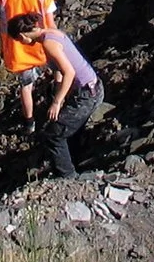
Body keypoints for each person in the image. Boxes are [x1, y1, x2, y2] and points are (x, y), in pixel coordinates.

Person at [6, 13, 103, 178]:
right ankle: (76, 163)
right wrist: (61, 92)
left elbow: (69, 72)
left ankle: (68, 176)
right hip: (93, 87)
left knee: (53, 135)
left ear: (22, 36)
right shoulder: (52, 33)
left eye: (18, 40)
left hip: (87, 94)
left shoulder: (49, 43)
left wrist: (57, 102)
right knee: (70, 131)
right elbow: (60, 70)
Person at [0, 0, 60, 122]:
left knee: (26, 87)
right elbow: (51, 24)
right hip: (44, 45)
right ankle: (57, 98)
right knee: (59, 69)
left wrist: (4, 47)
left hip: (19, 49)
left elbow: (2, 25)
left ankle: (29, 122)